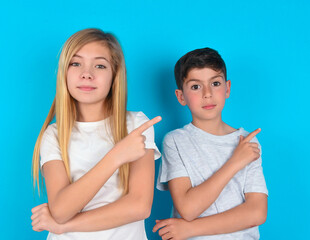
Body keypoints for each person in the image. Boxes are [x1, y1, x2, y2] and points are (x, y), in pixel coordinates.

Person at [31, 28, 161, 240]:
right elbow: (61, 210)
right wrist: (116, 155)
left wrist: (62, 226)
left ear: (114, 75)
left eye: (99, 65)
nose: (86, 73)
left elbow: (139, 206)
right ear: (64, 72)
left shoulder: (136, 124)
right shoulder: (53, 136)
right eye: (76, 63)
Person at [153, 48, 268, 239]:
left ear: (227, 88)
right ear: (181, 96)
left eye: (215, 83)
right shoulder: (175, 141)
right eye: (196, 86)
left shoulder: (247, 141)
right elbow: (189, 209)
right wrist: (235, 163)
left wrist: (190, 229)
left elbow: (257, 212)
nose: (208, 93)